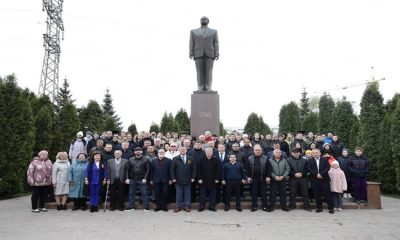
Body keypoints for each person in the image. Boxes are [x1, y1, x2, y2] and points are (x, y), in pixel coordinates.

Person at [189, 16, 219, 91]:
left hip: (210, 53)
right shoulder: (193, 31)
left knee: (209, 71)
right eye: (201, 19)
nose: (203, 20)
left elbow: (216, 43)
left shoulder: (214, 31)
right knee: (199, 72)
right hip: (198, 53)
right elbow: (191, 43)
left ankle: (208, 87)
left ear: (208, 21)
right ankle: (200, 86)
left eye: (205, 19)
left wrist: (217, 53)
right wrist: (190, 53)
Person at [308, 148, 334, 214]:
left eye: (316, 153)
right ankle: (319, 207)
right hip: (315, 180)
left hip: (324, 179)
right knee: (317, 195)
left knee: (327, 194)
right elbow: (309, 169)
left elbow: (328, 167)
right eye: (313, 153)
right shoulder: (309, 161)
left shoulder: (324, 159)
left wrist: (321, 174)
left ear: (319, 153)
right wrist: (316, 174)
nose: (315, 154)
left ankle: (331, 208)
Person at [170, 146, 196, 212]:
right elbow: (172, 169)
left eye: (184, 149)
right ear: (179, 150)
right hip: (178, 179)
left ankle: (187, 206)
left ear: (186, 150)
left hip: (188, 179)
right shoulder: (175, 158)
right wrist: (173, 178)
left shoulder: (191, 158)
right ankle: (177, 206)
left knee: (187, 193)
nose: (183, 150)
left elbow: (194, 169)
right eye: (181, 149)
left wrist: (193, 177)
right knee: (179, 193)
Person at [126, 147, 151, 212]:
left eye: (139, 150)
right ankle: (131, 206)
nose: (138, 152)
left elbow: (148, 170)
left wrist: (145, 178)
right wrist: (127, 178)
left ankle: (146, 206)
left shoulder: (146, 159)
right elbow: (127, 169)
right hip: (133, 178)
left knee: (144, 193)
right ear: (134, 152)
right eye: (136, 150)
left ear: (142, 152)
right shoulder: (130, 159)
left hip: (142, 179)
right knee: (131, 193)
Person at [245, 145, 270, 212]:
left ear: (261, 151)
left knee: (263, 193)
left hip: (263, 178)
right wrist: (249, 177)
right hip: (253, 178)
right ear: (253, 151)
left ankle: (265, 206)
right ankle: (254, 206)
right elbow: (247, 168)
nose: (258, 151)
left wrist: (268, 176)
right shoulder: (249, 158)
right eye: (256, 150)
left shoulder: (266, 158)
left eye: (259, 150)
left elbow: (269, 168)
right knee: (254, 193)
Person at [197, 147, 220, 212]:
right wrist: (199, 178)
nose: (209, 153)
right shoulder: (201, 159)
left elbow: (218, 170)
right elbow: (198, 170)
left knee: (213, 194)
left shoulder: (216, 160)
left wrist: (217, 178)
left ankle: (212, 206)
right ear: (205, 152)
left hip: (213, 180)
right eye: (207, 152)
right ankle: (201, 206)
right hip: (203, 180)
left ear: (212, 153)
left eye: (210, 152)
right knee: (202, 194)